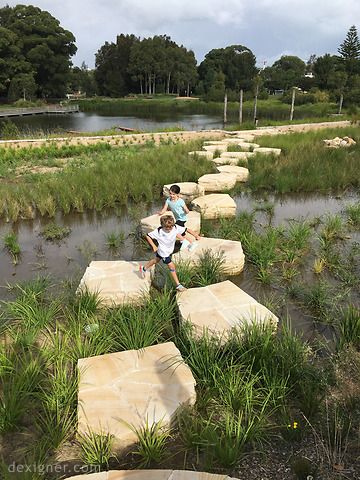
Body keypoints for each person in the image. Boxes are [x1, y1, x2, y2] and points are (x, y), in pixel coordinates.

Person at [139, 214, 187, 292]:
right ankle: (178, 285)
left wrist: (183, 239)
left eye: (170, 227)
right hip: (163, 251)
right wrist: (154, 246)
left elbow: (183, 230)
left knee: (156, 260)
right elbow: (148, 236)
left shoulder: (174, 228)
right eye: (166, 228)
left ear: (173, 225)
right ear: (162, 225)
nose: (169, 229)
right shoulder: (159, 231)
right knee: (172, 266)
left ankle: (143, 268)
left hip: (169, 250)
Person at [158, 184, 201, 251]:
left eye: (173, 194)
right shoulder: (168, 200)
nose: (172, 196)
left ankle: (186, 241)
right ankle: (195, 238)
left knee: (174, 230)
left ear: (178, 194)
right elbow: (164, 208)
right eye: (170, 194)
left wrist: (185, 211)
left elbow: (187, 210)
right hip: (177, 219)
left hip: (182, 218)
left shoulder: (180, 201)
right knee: (184, 231)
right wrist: (160, 213)